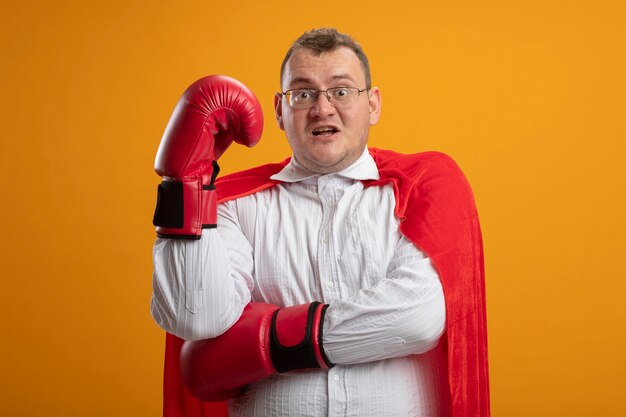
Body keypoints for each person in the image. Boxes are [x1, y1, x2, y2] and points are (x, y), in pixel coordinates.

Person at [151, 28, 490, 417]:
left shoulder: (422, 187)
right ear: (280, 110)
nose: (323, 108)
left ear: (373, 105)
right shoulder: (231, 205)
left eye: (341, 91)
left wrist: (269, 341)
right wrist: (185, 185)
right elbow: (197, 316)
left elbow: (417, 318)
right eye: (303, 94)